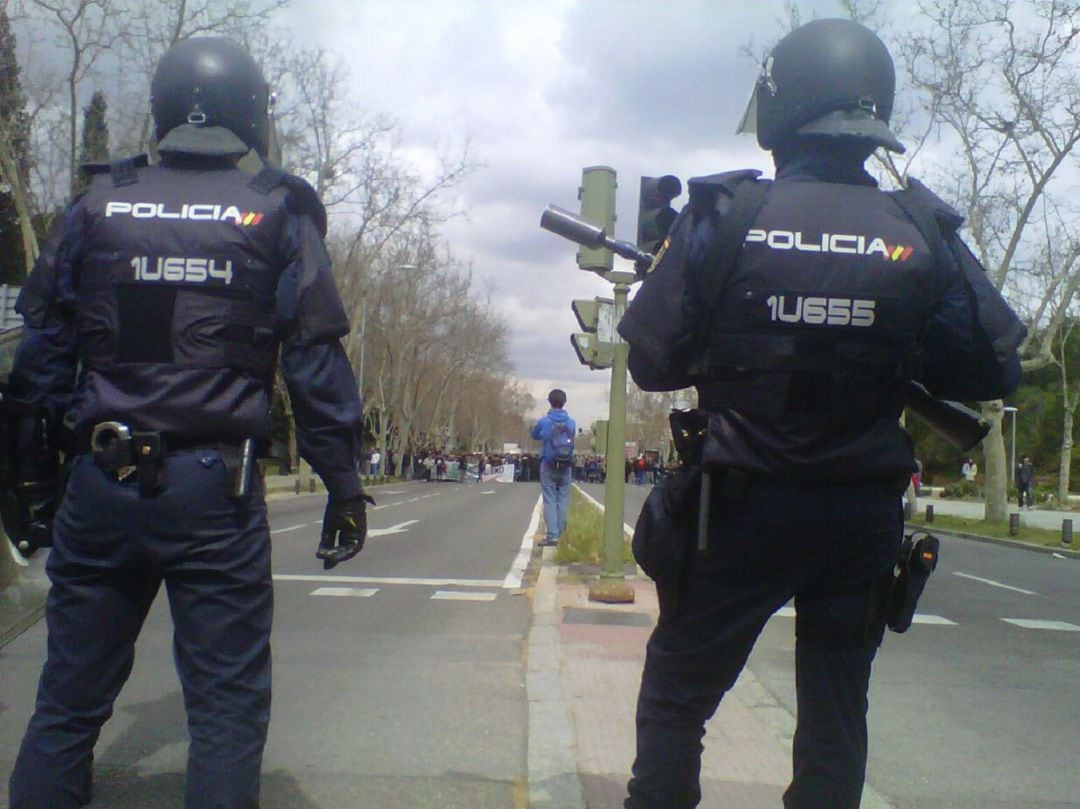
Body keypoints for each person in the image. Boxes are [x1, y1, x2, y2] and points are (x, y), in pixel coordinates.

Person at [616, 19, 1024, 809]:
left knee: (679, 692)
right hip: (858, 515)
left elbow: (652, 360)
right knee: (836, 712)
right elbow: (991, 364)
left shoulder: (727, 212)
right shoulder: (922, 228)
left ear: (779, 105)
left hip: (737, 509)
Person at [5, 37, 373, 809]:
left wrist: (31, 481)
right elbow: (313, 363)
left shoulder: (97, 203)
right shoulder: (276, 207)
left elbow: (40, 362)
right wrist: (342, 484)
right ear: (252, 112)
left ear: (166, 105)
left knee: (67, 705)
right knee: (225, 712)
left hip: (100, 480)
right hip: (215, 489)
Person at [530, 388, 576, 547]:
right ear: (564, 402)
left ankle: (553, 536)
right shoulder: (571, 422)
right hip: (566, 465)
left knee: (549, 500)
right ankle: (562, 534)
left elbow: (535, 436)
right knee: (563, 499)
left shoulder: (544, 421)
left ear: (550, 402)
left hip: (548, 464)